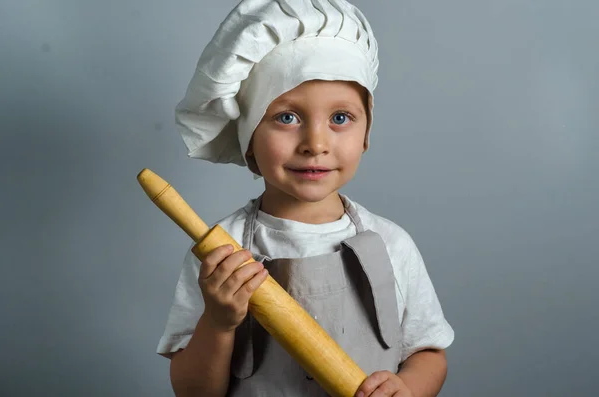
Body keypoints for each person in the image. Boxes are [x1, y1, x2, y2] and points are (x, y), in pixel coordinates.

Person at [156, 0, 454, 396]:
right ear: (248, 139)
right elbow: (194, 391)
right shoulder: (218, 258)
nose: (315, 144)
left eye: (340, 118)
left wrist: (409, 388)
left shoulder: (392, 245)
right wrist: (219, 320)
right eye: (286, 117)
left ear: (366, 134)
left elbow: (428, 353)